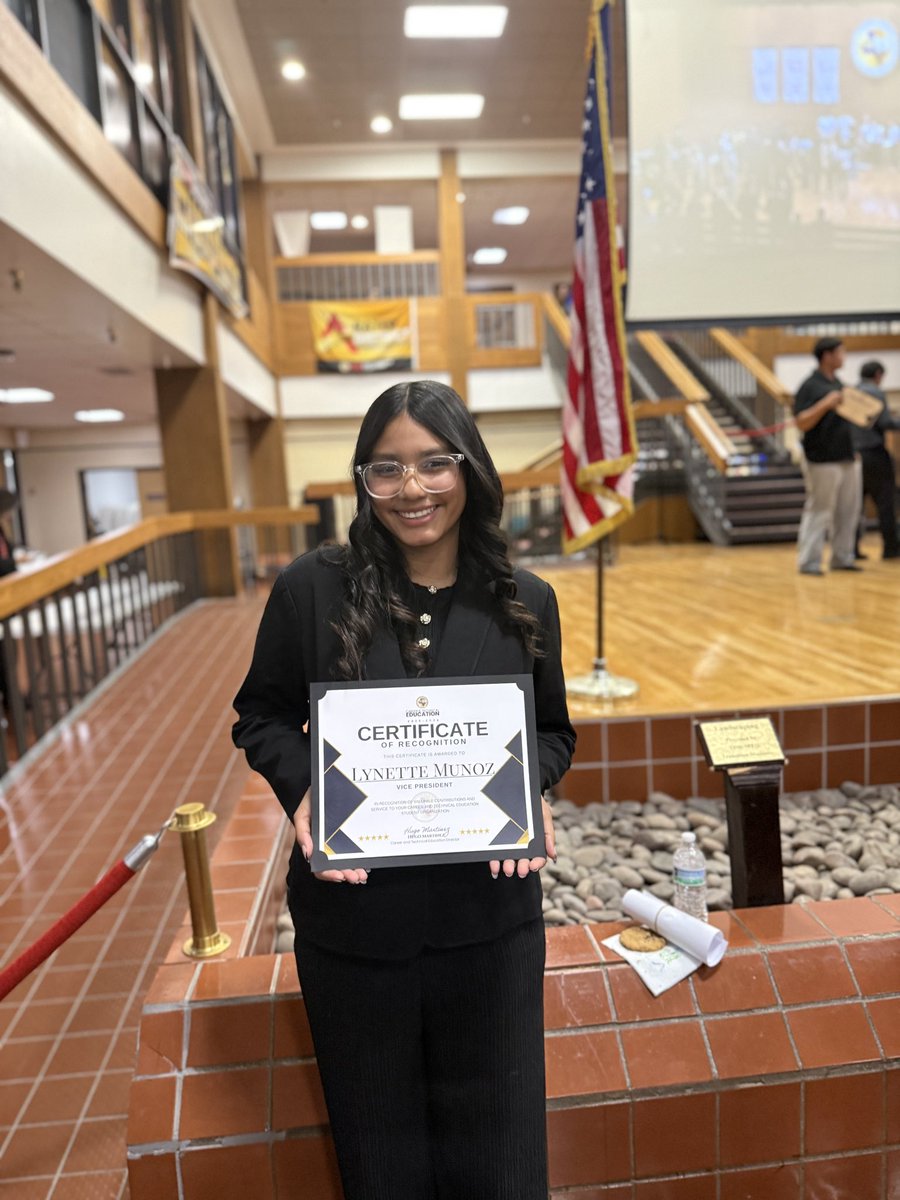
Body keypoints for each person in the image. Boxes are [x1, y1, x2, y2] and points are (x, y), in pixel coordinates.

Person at [232, 379, 576, 1200]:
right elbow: (262, 715)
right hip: (354, 930)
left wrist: (529, 790)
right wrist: (305, 793)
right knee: (380, 1161)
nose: (410, 489)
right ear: (362, 480)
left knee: (501, 1163)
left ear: (470, 470)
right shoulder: (311, 589)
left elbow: (554, 732)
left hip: (488, 930)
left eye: (433, 464)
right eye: (385, 469)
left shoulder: (525, 600)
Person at [793, 336, 862, 575]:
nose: (843, 358)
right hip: (821, 459)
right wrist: (824, 404)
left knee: (848, 510)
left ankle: (842, 557)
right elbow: (801, 421)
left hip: (846, 457)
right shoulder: (810, 386)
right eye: (840, 353)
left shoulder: (839, 384)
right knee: (820, 509)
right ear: (827, 356)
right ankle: (809, 561)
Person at [852, 361, 900, 561]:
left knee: (855, 505)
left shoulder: (851, 392)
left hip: (854, 455)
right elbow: (885, 423)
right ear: (878, 374)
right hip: (874, 453)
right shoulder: (876, 392)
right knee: (886, 502)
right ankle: (890, 547)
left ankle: (851, 548)